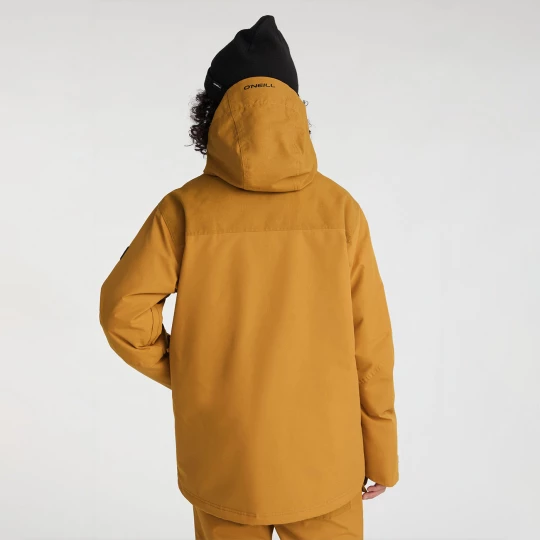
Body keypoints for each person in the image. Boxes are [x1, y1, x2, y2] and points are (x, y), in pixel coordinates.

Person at [99, 14, 398, 540]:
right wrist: (382, 455)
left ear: (213, 115)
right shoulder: (339, 210)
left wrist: (194, 373)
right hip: (326, 460)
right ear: (294, 109)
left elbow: (122, 312)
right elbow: (370, 348)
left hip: (226, 458)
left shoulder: (183, 210)